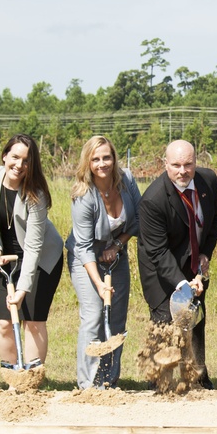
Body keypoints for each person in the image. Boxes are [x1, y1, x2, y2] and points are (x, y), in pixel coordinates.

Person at [138, 139, 217, 389]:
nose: (182, 171)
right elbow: (158, 252)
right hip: (161, 267)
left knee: (195, 317)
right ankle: (159, 381)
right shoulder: (152, 200)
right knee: (165, 321)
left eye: (188, 164)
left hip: (193, 261)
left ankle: (197, 377)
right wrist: (182, 284)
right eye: (175, 165)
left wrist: (206, 253)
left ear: (196, 162)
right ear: (165, 164)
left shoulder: (208, 181)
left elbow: (215, 219)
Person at [0, 133, 64, 371]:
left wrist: (22, 289)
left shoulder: (35, 195)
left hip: (41, 260)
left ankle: (31, 377)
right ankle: (11, 378)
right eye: (15, 157)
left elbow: (33, 246)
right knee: (5, 323)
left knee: (33, 322)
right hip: (7, 259)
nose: (19, 165)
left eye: (26, 160)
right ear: (4, 156)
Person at [67, 136, 141, 389]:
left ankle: (107, 380)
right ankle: (88, 384)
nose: (102, 163)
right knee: (94, 315)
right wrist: (98, 283)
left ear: (114, 158)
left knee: (117, 317)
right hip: (85, 256)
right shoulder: (83, 196)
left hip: (116, 252)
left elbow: (139, 219)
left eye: (106, 157)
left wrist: (118, 244)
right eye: (96, 159)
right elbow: (84, 246)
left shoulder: (127, 180)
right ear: (87, 162)